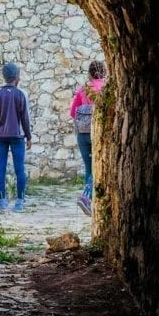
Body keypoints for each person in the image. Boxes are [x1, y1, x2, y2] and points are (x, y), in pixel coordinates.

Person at [0, 62, 32, 212]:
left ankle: (2, 200)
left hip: (0, 136)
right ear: (17, 77)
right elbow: (25, 118)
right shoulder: (21, 94)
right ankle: (19, 200)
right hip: (17, 136)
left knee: (1, 167)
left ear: (4, 77)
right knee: (20, 168)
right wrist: (29, 136)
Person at [70, 60, 106, 216]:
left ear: (90, 74)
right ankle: (86, 196)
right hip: (98, 134)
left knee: (89, 167)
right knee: (98, 168)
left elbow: (73, 113)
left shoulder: (82, 90)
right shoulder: (105, 89)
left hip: (82, 134)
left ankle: (88, 201)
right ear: (104, 73)